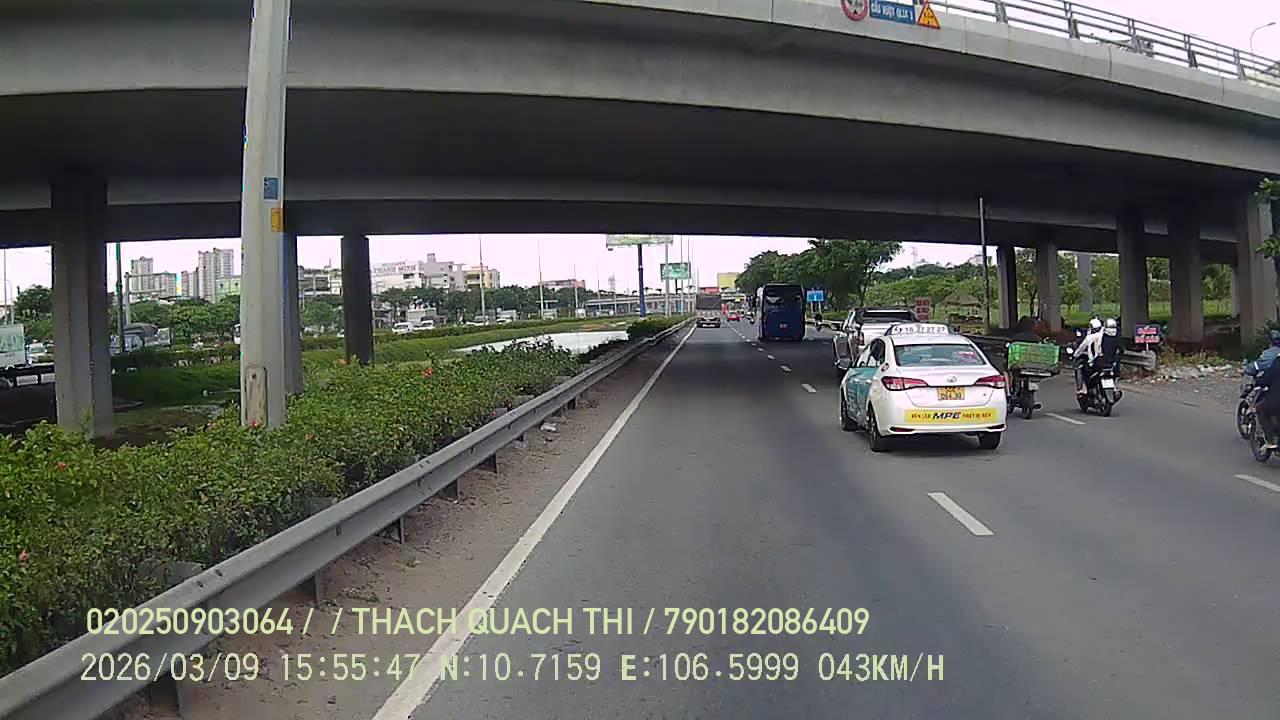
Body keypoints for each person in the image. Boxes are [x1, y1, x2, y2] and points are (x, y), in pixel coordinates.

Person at [1256, 339, 1280, 450]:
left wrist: (1259, 381)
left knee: (1260, 409)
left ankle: (1270, 440)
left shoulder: (1277, 362)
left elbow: (1267, 377)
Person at [1074, 317, 1104, 394]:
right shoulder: (1105, 335)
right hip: (1106, 361)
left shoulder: (1089, 337)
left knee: (1079, 368)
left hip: (1093, 362)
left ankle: (1081, 389)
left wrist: (1076, 355)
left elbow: (1081, 348)